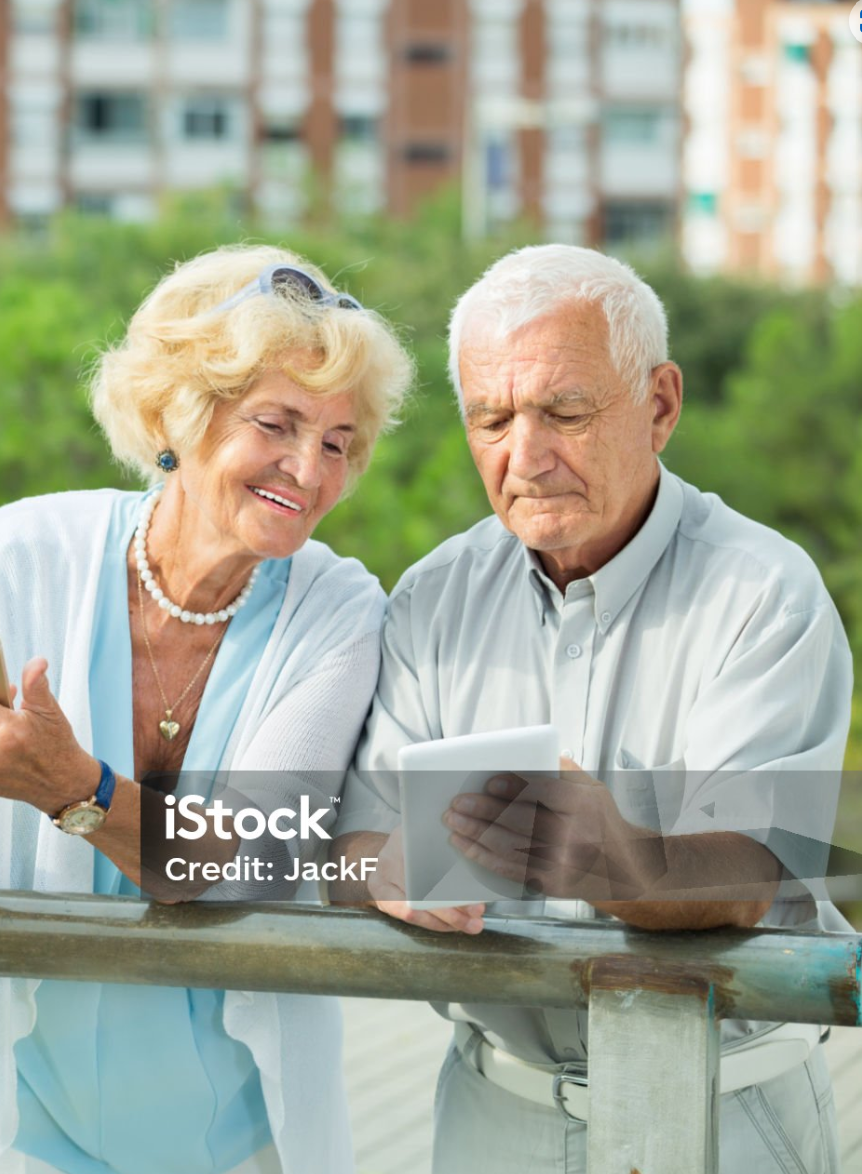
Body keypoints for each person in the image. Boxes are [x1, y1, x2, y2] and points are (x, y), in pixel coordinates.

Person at [0, 246, 416, 1174]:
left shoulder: (340, 611)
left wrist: (73, 787)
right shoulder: (18, 554)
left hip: (238, 1138)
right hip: (13, 1126)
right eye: (277, 423)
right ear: (175, 415)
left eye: (338, 441)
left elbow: (252, 858)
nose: (309, 469)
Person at [330, 244, 848, 1172]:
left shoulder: (764, 589)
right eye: (489, 418)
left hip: (722, 1113)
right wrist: (389, 870)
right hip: (491, 1109)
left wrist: (623, 861)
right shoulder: (429, 595)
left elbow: (759, 866)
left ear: (659, 406)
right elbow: (355, 840)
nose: (523, 456)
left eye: (562, 411)